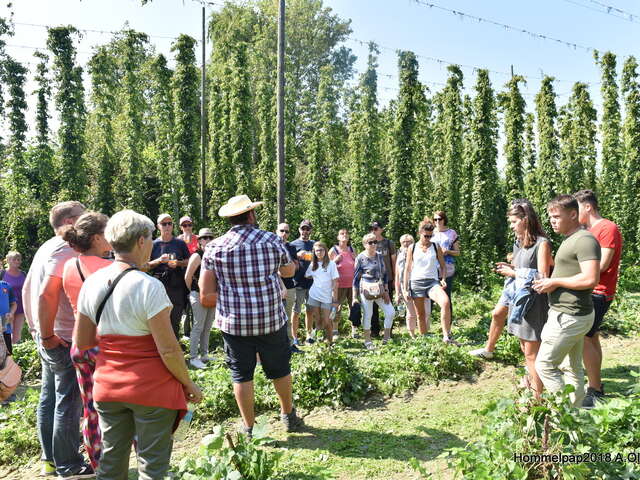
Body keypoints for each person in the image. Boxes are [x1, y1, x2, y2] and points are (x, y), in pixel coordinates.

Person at [74, 209, 203, 480]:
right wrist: (188, 384)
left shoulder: (92, 283)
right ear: (141, 242)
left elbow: (82, 342)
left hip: (108, 387)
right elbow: (168, 349)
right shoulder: (149, 287)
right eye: (150, 238)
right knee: (152, 466)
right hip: (152, 390)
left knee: (110, 464)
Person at [200, 195, 302, 436]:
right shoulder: (271, 239)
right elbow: (288, 271)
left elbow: (205, 295)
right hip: (270, 319)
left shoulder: (214, 247)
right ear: (251, 215)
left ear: (230, 219)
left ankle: (249, 428)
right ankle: (288, 416)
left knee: (241, 375)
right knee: (280, 369)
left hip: (235, 324)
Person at [22, 200, 94, 478]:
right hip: (61, 336)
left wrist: (36, 329)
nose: (87, 220)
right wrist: (48, 333)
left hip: (48, 335)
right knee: (68, 401)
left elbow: (29, 288)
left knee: (49, 397)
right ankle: (69, 464)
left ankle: (50, 459)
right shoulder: (65, 248)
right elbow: (44, 293)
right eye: (82, 216)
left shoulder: (45, 247)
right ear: (67, 223)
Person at [475, 201, 553, 397]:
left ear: (525, 220)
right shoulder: (519, 243)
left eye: (513, 221)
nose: (511, 225)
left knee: (532, 354)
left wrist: (513, 273)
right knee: (525, 350)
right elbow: (522, 270)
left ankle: (537, 401)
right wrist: (513, 270)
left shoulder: (542, 244)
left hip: (533, 303)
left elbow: (542, 277)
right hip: (519, 301)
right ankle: (532, 390)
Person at [533, 195, 601, 407]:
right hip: (570, 313)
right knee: (572, 367)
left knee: (544, 365)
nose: (552, 221)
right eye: (550, 217)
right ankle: (576, 412)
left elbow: (591, 278)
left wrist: (555, 282)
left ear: (573, 214)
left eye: (556, 216)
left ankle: (564, 416)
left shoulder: (584, 240)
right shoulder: (571, 239)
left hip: (570, 315)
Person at [61, 212, 112, 471]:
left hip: (79, 345)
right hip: (106, 346)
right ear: (96, 238)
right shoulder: (108, 268)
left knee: (90, 409)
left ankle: (98, 464)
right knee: (126, 406)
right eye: (108, 231)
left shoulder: (70, 265)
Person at [575, 189, 623, 408]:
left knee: (585, 338)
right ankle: (596, 384)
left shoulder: (607, 227)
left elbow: (602, 265)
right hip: (590, 290)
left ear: (588, 207)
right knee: (591, 337)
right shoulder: (588, 230)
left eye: (577, 208)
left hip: (599, 291)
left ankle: (594, 390)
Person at [403, 219, 456, 344]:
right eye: (426, 236)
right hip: (416, 283)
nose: (428, 238)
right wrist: (405, 289)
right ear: (419, 233)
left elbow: (443, 266)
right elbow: (407, 269)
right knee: (421, 315)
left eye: (430, 236)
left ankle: (446, 336)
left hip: (432, 282)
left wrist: (443, 279)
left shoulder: (435, 246)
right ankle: (424, 342)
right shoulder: (412, 247)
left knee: (445, 302)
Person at [146, 214, 190, 338]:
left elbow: (189, 261)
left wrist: (178, 263)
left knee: (175, 318)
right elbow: (145, 266)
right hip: (158, 285)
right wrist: (159, 260)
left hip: (176, 285)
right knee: (158, 318)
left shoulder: (180, 243)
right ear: (158, 226)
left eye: (169, 223)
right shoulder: (153, 245)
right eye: (164, 224)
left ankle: (175, 346)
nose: (167, 226)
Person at [352, 232, 396, 349]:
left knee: (390, 312)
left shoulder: (380, 255)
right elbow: (355, 279)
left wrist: (386, 291)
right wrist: (354, 297)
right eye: (370, 242)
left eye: (375, 242)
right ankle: (367, 341)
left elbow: (385, 275)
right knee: (368, 314)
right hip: (366, 289)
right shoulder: (360, 258)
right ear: (364, 244)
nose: (373, 244)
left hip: (380, 288)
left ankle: (386, 338)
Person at [184, 228, 216, 369]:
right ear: (199, 241)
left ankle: (204, 354)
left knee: (207, 326)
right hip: (198, 294)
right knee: (198, 326)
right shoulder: (197, 256)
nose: (208, 240)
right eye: (204, 238)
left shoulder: (214, 254)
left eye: (210, 237)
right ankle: (193, 357)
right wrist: (193, 292)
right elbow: (187, 277)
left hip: (212, 295)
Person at [305, 242, 339, 345]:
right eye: (317, 250)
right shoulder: (313, 264)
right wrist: (316, 278)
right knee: (318, 320)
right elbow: (307, 275)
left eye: (321, 250)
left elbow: (335, 282)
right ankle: (318, 341)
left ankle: (330, 341)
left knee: (327, 320)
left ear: (325, 250)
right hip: (314, 295)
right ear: (314, 252)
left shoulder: (331, 264)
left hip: (327, 297)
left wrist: (335, 299)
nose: (319, 252)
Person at [275, 223, 301, 353]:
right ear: (276, 231)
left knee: (287, 316)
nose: (284, 233)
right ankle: (277, 346)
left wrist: (289, 267)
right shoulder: (272, 246)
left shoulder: (291, 247)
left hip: (290, 286)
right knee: (275, 318)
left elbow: (295, 267)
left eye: (287, 231)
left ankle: (290, 344)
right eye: (281, 231)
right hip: (274, 287)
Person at [368, 221, 396, 337]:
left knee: (388, 305)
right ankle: (375, 331)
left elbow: (394, 262)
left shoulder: (388, 243)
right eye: (371, 228)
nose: (373, 230)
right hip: (373, 280)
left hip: (387, 279)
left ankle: (388, 331)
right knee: (373, 307)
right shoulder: (369, 243)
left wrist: (395, 278)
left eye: (376, 228)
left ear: (381, 229)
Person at [290, 220, 316, 344]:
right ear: (299, 230)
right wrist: (296, 256)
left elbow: (322, 261)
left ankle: (309, 336)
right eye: (303, 229)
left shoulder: (315, 245)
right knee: (296, 312)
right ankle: (294, 338)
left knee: (310, 311)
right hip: (298, 283)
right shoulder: (293, 245)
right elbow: (286, 262)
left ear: (311, 230)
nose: (305, 231)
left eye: (307, 229)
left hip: (312, 283)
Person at [328, 229, 357, 338]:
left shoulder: (352, 249)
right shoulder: (333, 250)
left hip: (352, 284)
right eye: (342, 234)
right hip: (338, 285)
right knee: (336, 307)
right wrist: (335, 260)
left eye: (346, 233)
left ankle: (354, 331)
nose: (344, 235)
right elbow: (326, 267)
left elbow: (358, 265)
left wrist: (356, 258)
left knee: (353, 307)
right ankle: (335, 330)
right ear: (338, 237)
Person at [432, 211, 460, 318]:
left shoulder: (451, 233)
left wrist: (447, 251)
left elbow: (457, 252)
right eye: (435, 219)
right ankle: (428, 326)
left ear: (444, 220)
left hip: (447, 269)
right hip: (432, 269)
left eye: (440, 219)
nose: (437, 222)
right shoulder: (430, 232)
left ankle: (448, 324)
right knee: (429, 298)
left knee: (446, 297)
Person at [395, 234, 419, 338]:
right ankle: (411, 333)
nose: (406, 244)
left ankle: (423, 331)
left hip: (418, 283)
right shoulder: (399, 254)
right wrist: (398, 292)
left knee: (422, 310)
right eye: (404, 242)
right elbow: (397, 274)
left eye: (408, 242)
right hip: (404, 286)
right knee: (410, 310)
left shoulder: (418, 252)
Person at [1, 251, 26, 343]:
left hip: (21, 307)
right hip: (6, 308)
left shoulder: (23, 274)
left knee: (17, 334)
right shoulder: (2, 274)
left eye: (19, 259)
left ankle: (14, 353)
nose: (17, 261)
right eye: (14, 259)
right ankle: (5, 354)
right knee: (6, 332)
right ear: (8, 260)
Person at [0, 276, 17, 355]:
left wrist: (11, 313)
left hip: (5, 327)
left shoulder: (6, 286)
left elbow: (13, 304)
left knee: (8, 356)